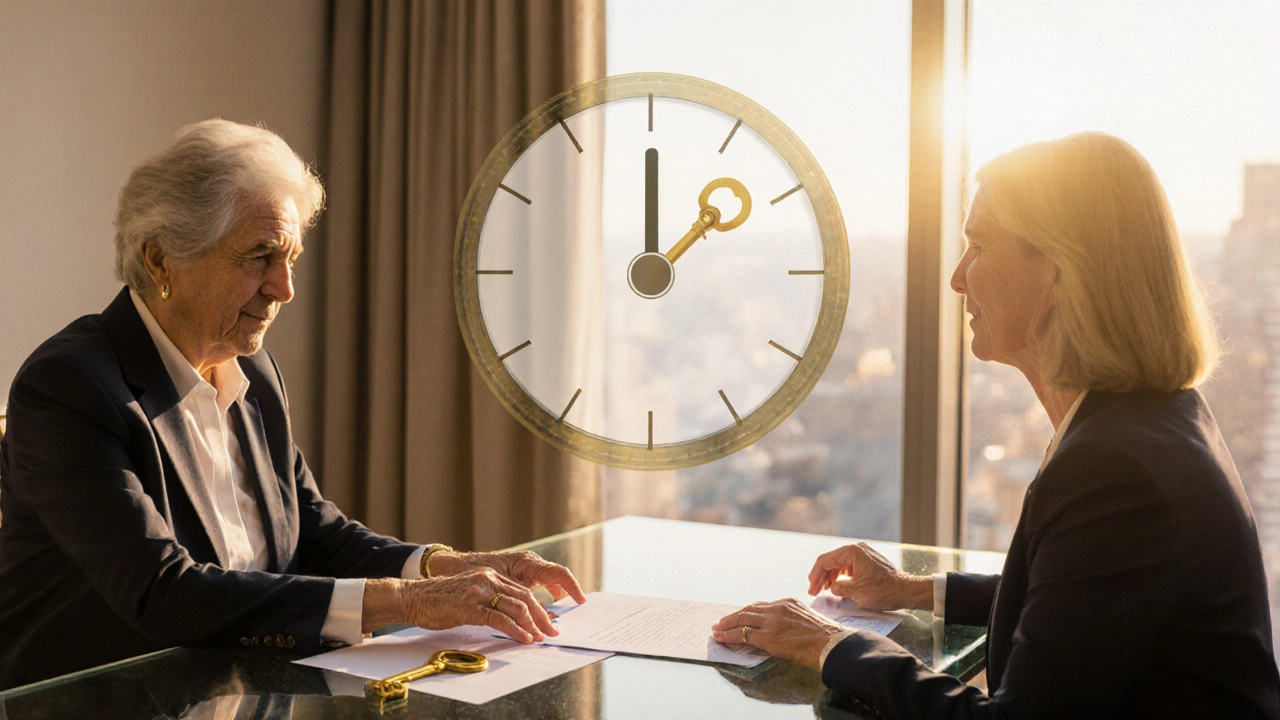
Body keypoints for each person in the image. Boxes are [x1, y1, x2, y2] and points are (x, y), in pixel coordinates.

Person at [0, 119, 586, 690]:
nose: (285, 288)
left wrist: (440, 566)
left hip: (239, 690)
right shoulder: (70, 387)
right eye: (260, 256)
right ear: (160, 261)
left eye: (291, 259)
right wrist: (409, 602)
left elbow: (313, 530)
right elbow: (163, 593)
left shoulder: (250, 366)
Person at [713, 132, 1280, 717]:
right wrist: (915, 591)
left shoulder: (1116, 467)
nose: (959, 277)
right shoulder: (1153, 419)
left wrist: (830, 644)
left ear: (1062, 271)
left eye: (979, 246)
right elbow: (1083, 599)